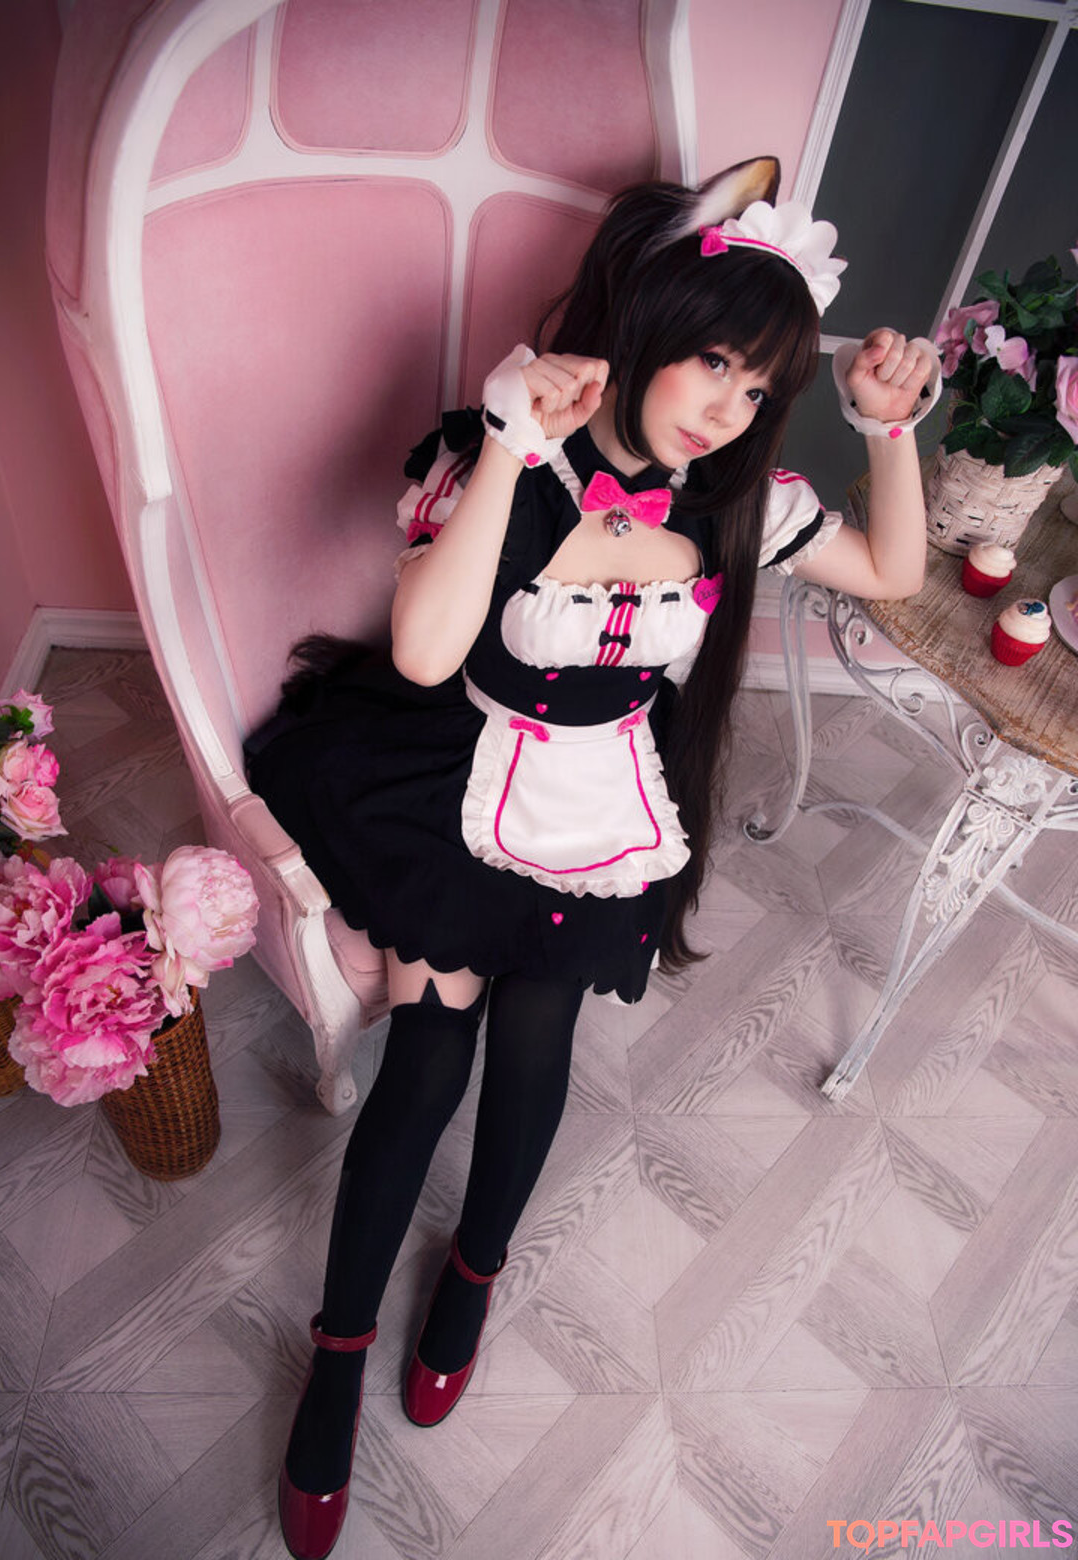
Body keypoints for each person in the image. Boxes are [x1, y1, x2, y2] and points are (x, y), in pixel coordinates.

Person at [244, 157, 940, 1560]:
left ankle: (475, 1273)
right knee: (428, 1057)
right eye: (714, 364)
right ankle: (338, 1348)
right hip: (457, 760)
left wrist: (887, 430)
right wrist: (509, 443)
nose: (727, 409)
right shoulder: (508, 448)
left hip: (601, 787)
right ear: (650, 321)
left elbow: (894, 574)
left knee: (539, 1034)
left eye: (759, 388)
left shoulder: (738, 497)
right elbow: (426, 653)